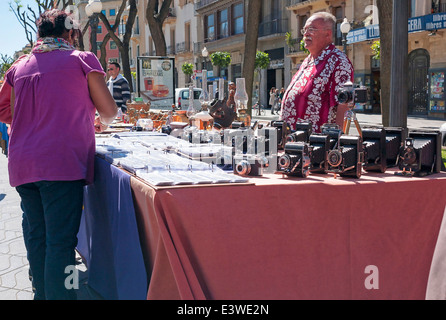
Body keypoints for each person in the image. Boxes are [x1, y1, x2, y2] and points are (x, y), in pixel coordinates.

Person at [5, 9, 117, 300]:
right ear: (71, 33)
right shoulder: (82, 60)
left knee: (37, 237)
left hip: (23, 164)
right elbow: (109, 111)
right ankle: (63, 296)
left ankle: (42, 294)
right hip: (61, 164)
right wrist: (94, 119)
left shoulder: (20, 67)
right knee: (62, 244)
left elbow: (13, 113)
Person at [280, 12, 354, 133]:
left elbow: (344, 106)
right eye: (304, 30)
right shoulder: (308, 60)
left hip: (316, 145)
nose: (306, 34)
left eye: (311, 29)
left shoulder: (339, 62)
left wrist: (336, 144)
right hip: (294, 141)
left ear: (327, 34)